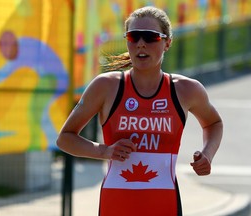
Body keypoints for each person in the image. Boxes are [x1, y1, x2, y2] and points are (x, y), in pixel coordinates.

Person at [57, 6, 223, 216]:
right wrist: (104, 151)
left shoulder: (186, 90)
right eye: (133, 36)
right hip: (116, 203)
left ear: (167, 43)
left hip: (164, 204)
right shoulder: (106, 86)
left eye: (150, 37)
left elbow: (213, 123)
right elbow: (65, 138)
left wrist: (207, 155)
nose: (140, 43)